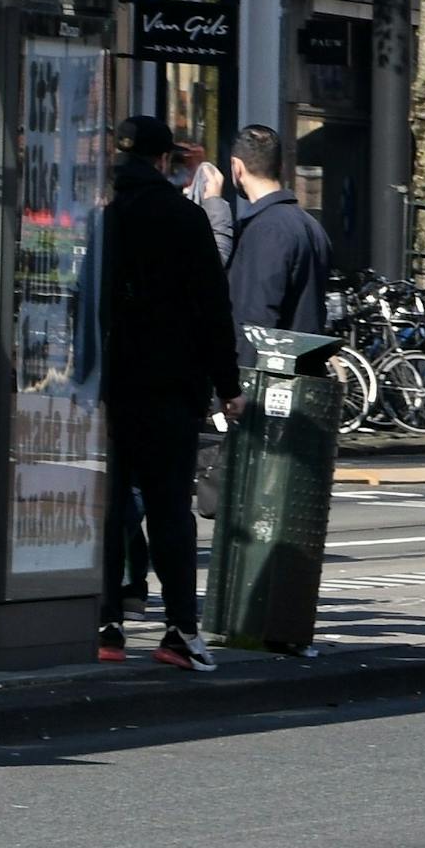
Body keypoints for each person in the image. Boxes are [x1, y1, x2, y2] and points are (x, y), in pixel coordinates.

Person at [87, 112, 236, 671]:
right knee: (170, 507)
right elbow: (212, 307)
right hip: (171, 385)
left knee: (111, 505)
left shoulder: (102, 217)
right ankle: (178, 631)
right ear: (162, 159)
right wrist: (228, 385)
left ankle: (107, 625)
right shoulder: (186, 217)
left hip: (109, 384)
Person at [219, 126, 330, 336]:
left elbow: (256, 319)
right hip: (305, 363)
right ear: (281, 166)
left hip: (269, 366)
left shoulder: (266, 229)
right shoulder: (312, 226)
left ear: (237, 167)